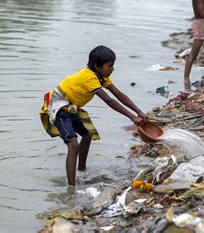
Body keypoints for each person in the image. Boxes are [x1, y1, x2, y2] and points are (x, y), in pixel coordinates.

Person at [39, 45, 148, 186]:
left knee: (87, 135)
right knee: (73, 144)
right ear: (97, 66)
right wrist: (132, 117)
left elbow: (118, 94)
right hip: (59, 106)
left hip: (71, 106)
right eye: (110, 66)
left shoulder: (101, 76)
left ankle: (82, 171)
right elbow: (109, 100)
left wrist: (138, 111)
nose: (112, 69)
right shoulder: (88, 77)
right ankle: (71, 187)